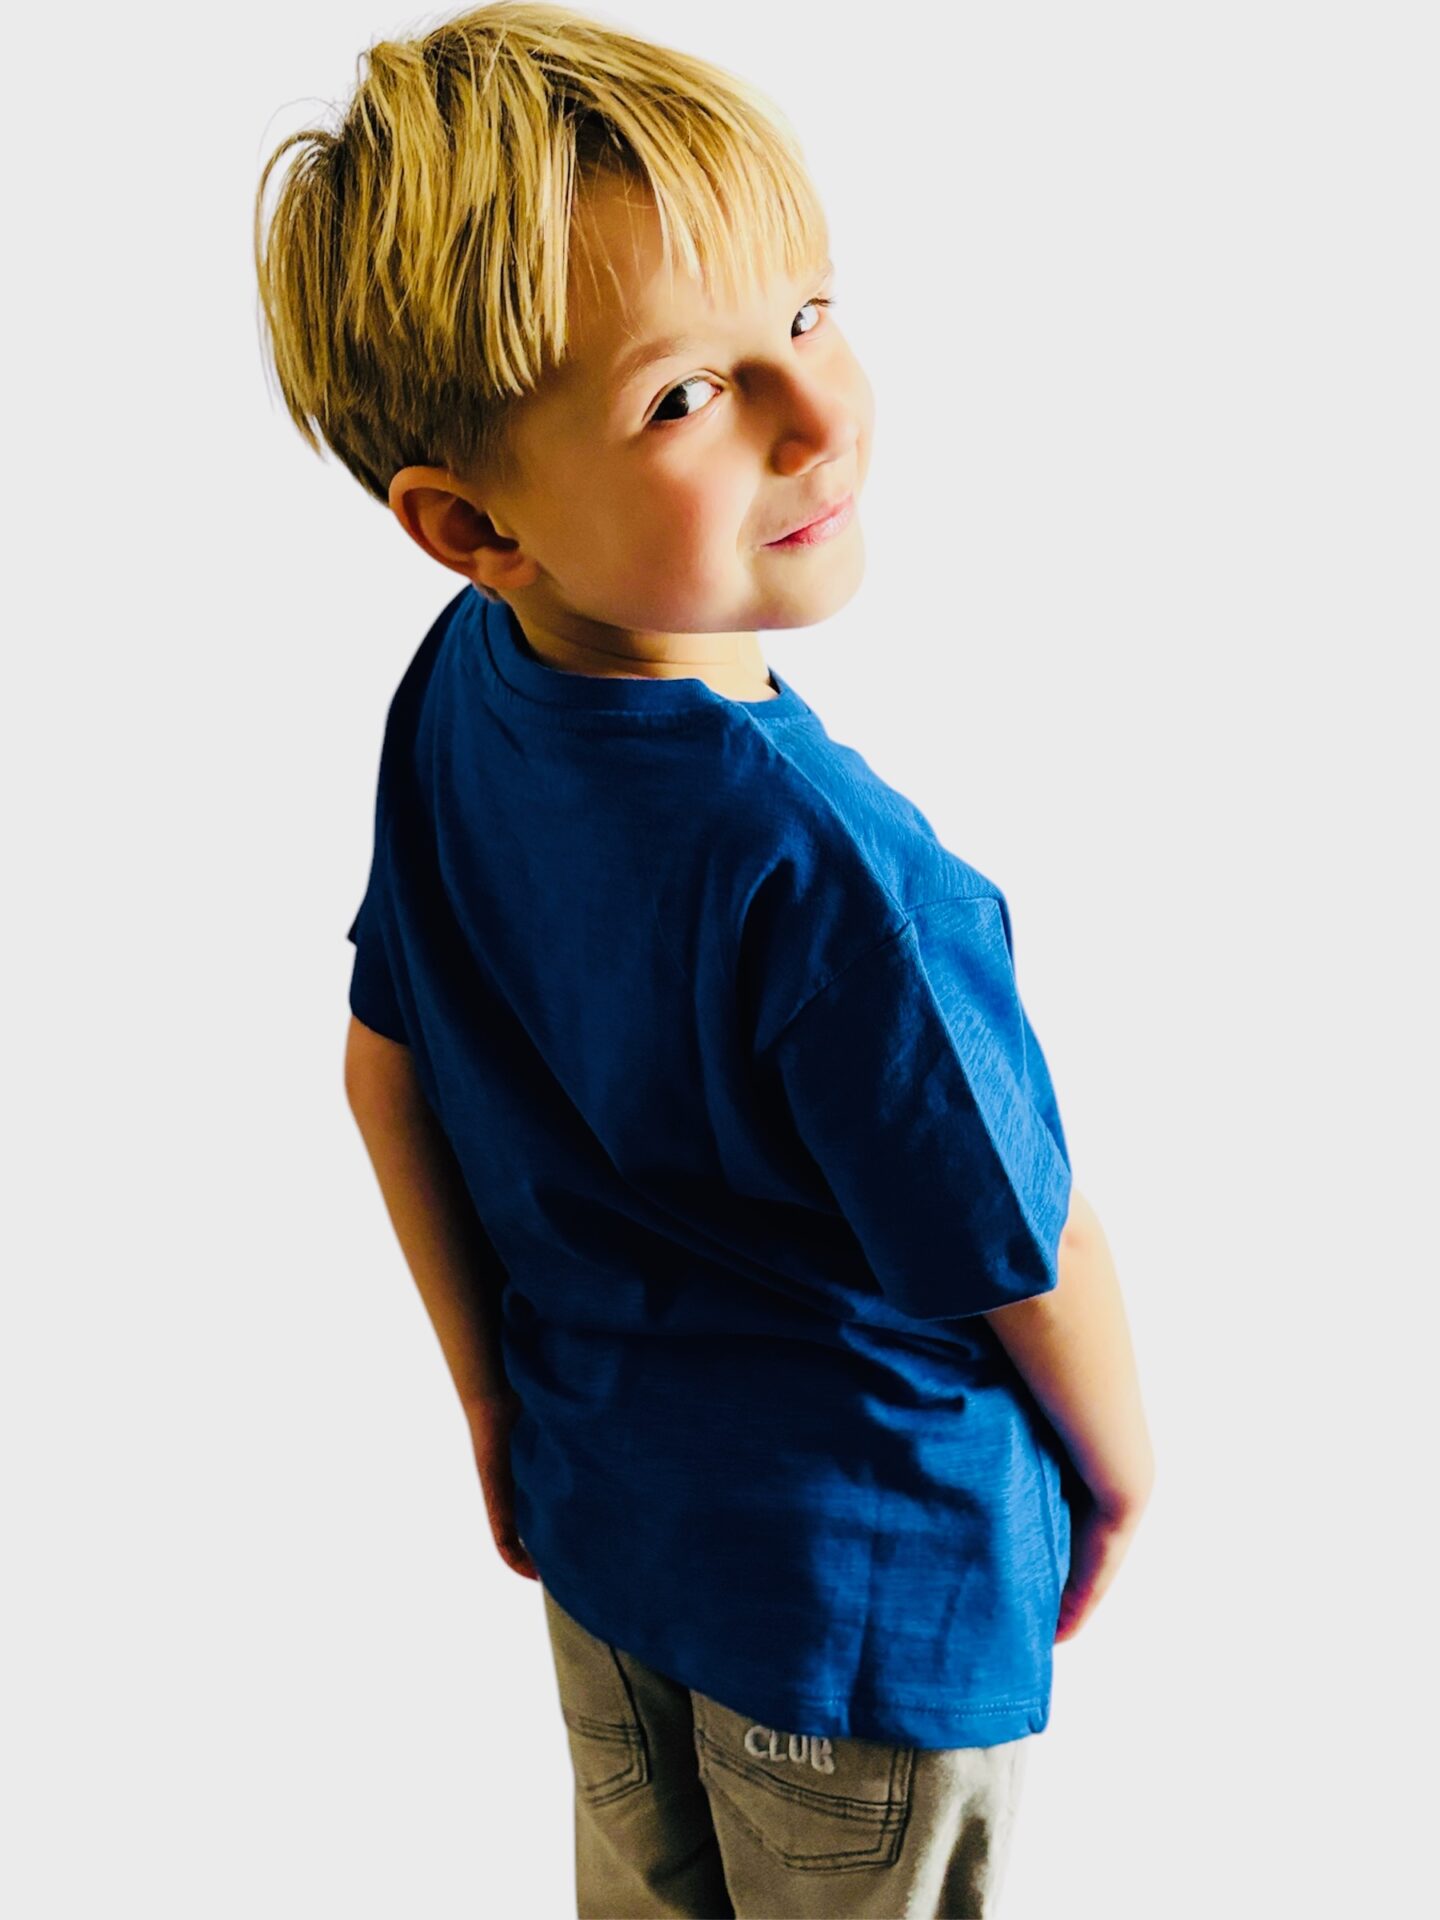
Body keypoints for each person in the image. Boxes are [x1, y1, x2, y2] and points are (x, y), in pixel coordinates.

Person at [254, 7, 1155, 1914]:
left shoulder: (458, 690)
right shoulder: (840, 876)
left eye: (810, 313)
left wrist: (492, 1398)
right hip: (865, 1600)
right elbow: (1021, 1241)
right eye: (687, 397)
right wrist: (1127, 1467)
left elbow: (380, 1067)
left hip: (607, 1529)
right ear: (468, 524)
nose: (816, 415)